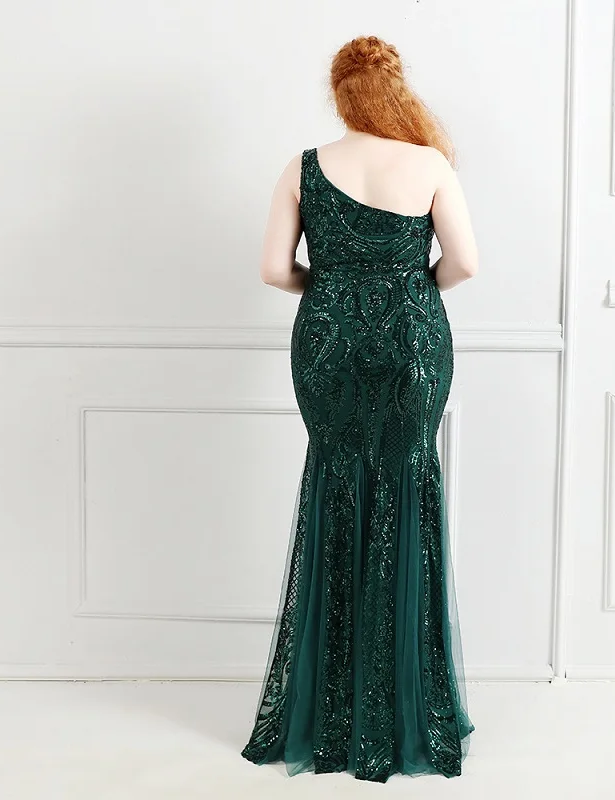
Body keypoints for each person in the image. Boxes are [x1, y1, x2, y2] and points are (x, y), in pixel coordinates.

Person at [240, 34, 478, 783]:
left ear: (340, 95)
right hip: (412, 338)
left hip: (328, 340)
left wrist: (333, 288)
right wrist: (407, 288)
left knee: (337, 485)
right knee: (407, 486)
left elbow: (274, 269)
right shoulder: (430, 164)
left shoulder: (303, 167)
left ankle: (332, 716)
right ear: (395, 91)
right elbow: (465, 264)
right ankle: (406, 714)